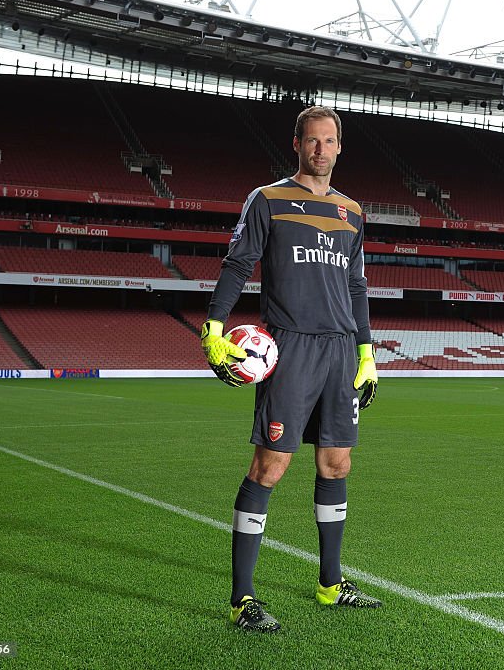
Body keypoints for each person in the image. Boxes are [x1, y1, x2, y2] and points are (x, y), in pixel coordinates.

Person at [200, 105, 381, 633]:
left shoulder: (352, 212)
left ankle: (330, 583)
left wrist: (367, 354)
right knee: (270, 466)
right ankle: (243, 598)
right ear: (297, 144)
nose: (321, 149)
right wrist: (214, 327)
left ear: (340, 147)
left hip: (340, 349)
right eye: (312, 141)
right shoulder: (268, 199)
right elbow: (237, 263)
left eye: (330, 141)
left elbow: (356, 287)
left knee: (336, 465)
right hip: (290, 348)